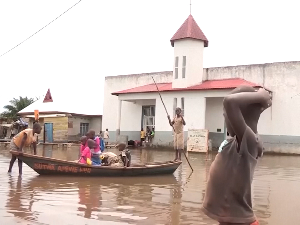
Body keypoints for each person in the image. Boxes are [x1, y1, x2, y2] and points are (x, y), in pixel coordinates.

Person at [202, 86, 272, 225]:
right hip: (229, 218)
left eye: (226, 116)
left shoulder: (250, 142)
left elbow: (229, 102)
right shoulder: (235, 142)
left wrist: (261, 96)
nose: (226, 120)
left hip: (240, 221)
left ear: (239, 116)